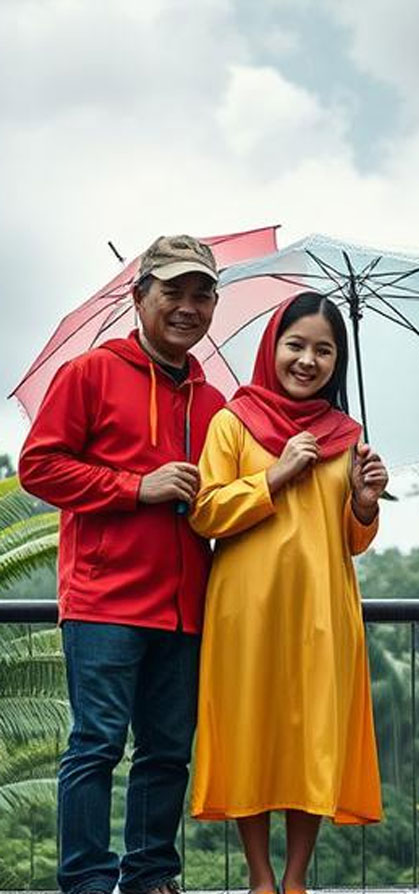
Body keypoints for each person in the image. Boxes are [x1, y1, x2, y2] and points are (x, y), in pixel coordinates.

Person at [19, 235, 225, 894]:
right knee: (97, 746)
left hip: (186, 606)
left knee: (166, 752)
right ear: (140, 297)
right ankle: (85, 881)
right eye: (173, 292)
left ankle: (151, 876)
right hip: (103, 602)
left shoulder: (218, 403)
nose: (188, 307)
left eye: (202, 294)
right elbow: (39, 467)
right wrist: (138, 486)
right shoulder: (87, 374)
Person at [188, 292, 387, 894]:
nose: (308, 360)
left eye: (323, 350)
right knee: (250, 730)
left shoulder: (348, 438)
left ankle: (296, 878)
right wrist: (275, 474)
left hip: (324, 610)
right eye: (295, 345)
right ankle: (260, 876)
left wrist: (365, 500)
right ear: (272, 348)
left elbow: (353, 541)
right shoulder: (232, 421)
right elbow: (205, 512)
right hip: (245, 611)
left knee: (312, 739)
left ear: (337, 363)